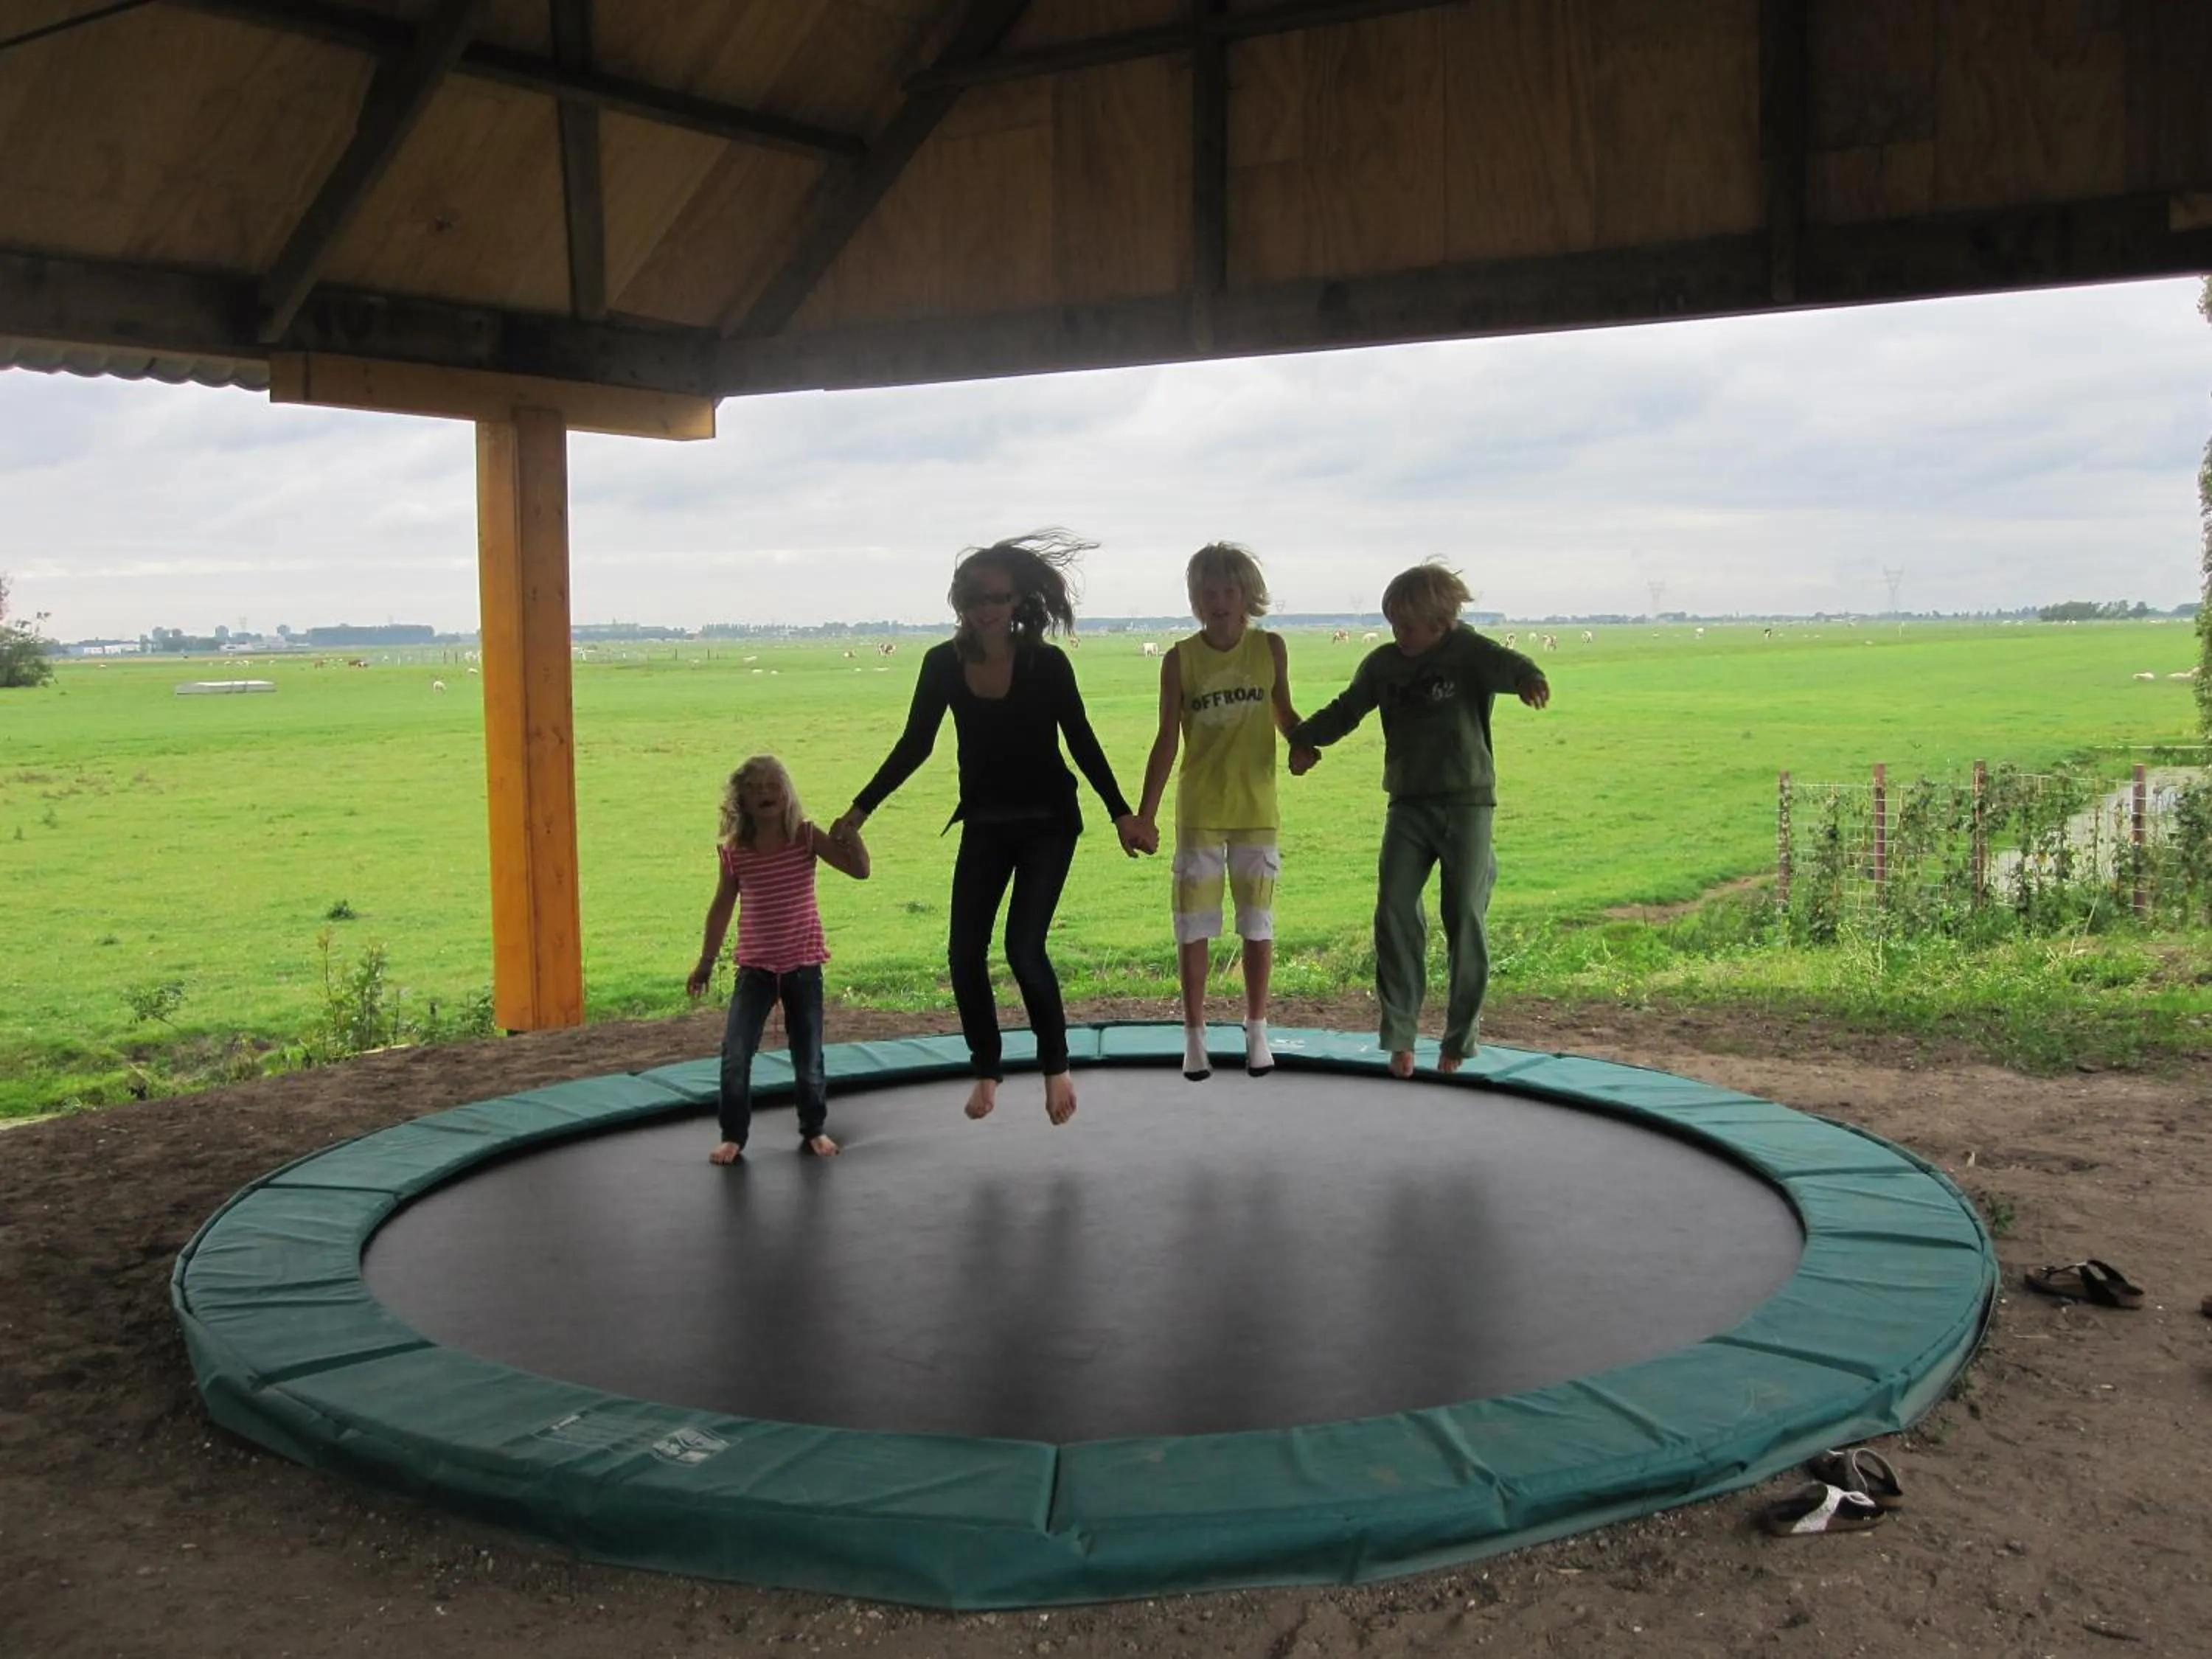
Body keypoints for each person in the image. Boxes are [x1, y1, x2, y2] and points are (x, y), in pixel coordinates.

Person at [833, 531, 1153, 1126]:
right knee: (963, 951)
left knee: (1022, 947)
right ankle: (987, 1065)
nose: (989, 607)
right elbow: (915, 745)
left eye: (1000, 597)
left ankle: (1055, 1066)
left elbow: (1080, 740)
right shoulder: (942, 666)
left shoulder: (1046, 664)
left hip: (1050, 823)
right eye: (979, 597)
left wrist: (1122, 813)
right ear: (961, 601)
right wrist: (860, 809)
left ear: (1018, 602)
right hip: (984, 821)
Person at [1288, 560, 1549, 1078]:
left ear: (1440, 621)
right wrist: (1303, 737)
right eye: (1392, 624)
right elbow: (1347, 710)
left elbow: (1510, 664)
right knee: (1393, 910)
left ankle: (1458, 1038)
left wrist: (1530, 681)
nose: (1397, 635)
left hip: (1467, 804)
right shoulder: (1384, 664)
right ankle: (1401, 1034)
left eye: (1406, 626)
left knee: (1464, 916)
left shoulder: (1469, 652)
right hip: (1407, 805)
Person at [1135, 543, 1304, 1081]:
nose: (1219, 601)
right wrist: (1145, 814)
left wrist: (1304, 744)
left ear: (1247, 595)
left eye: (1229, 591)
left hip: (1257, 809)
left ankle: (1257, 1030)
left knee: (1258, 924)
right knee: (1193, 927)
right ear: (1196, 599)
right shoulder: (1179, 659)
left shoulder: (1270, 649)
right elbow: (1166, 739)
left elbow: (1286, 714)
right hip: (1200, 809)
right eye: (1208, 592)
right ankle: (1195, 1037)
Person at [686, 754, 870, 1164]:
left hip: (803, 966)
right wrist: (705, 961)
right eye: (754, 789)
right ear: (742, 803)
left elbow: (859, 871)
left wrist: (852, 836)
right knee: (736, 1053)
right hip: (754, 970)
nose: (764, 794)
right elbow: (721, 907)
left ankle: (814, 1129)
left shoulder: (804, 836)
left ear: (787, 794)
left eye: (772, 785)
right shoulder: (736, 853)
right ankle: (733, 1135)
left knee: (807, 1058)